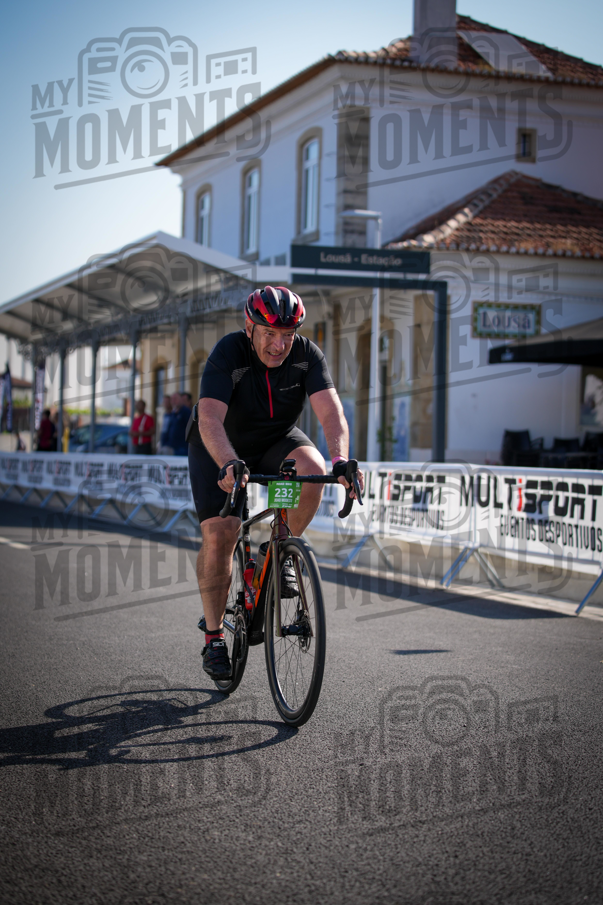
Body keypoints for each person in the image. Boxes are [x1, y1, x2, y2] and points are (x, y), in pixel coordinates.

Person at [188, 285, 364, 679]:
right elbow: (210, 418)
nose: (278, 345)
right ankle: (214, 636)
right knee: (222, 533)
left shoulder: (306, 356)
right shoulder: (228, 353)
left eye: (287, 335)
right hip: (218, 445)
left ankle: (277, 547)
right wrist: (229, 462)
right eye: (269, 334)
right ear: (249, 327)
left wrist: (340, 460)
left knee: (312, 468)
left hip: (273, 443)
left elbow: (331, 413)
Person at [168, 391, 191, 456]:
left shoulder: (186, 412)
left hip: (183, 447)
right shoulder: (173, 413)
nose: (173, 401)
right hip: (173, 447)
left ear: (181, 399)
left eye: (175, 399)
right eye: (172, 399)